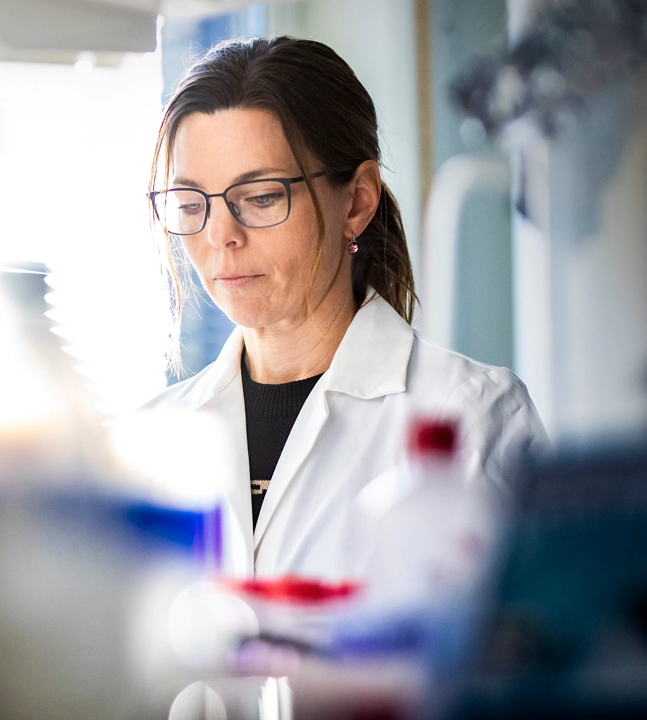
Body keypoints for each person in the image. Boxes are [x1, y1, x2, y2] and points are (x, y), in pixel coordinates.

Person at [144, 36, 547, 580]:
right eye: (190, 204)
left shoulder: (471, 417)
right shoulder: (150, 440)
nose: (220, 235)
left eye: (261, 197)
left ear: (357, 200)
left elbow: (536, 648)